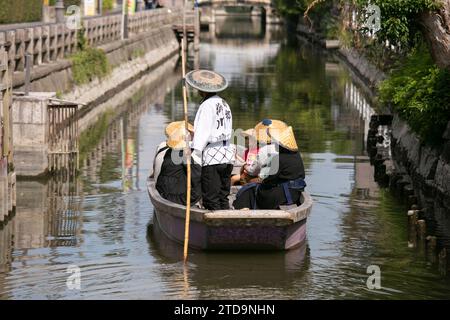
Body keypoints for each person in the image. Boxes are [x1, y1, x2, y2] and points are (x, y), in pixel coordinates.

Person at [185, 69, 235, 210]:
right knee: (223, 196)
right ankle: (227, 222)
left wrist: (195, 154)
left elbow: (203, 132)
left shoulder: (206, 106)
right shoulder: (224, 103)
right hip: (227, 154)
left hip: (213, 156)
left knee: (210, 198)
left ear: (202, 90)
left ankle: (216, 228)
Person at [233, 119, 306, 210]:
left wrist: (258, 181)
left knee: (249, 190)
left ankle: (241, 209)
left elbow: (268, 180)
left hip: (284, 195)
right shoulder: (296, 155)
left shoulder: (278, 159)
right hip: (295, 194)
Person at [153, 121, 202, 206]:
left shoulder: (169, 152)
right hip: (177, 199)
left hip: (163, 194)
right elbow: (199, 175)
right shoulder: (182, 154)